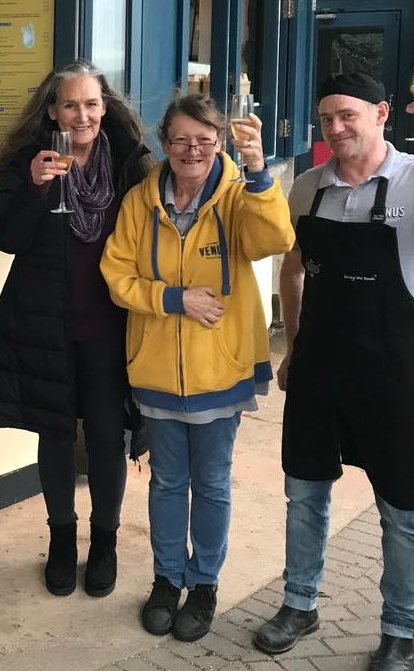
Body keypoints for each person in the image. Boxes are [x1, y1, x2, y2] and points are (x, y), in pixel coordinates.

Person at [254, 71, 414, 671]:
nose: (335, 128)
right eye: (325, 119)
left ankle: (399, 632)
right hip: (318, 369)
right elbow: (294, 265)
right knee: (305, 494)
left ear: (382, 113)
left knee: (402, 510)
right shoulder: (308, 187)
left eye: (348, 116)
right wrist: (294, 344)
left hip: (391, 374)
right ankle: (300, 604)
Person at [101, 95, 293, 642]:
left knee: (210, 483)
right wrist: (172, 299)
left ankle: (203, 584)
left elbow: (273, 239)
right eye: (182, 140)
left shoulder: (237, 196)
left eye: (205, 141)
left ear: (219, 144)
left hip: (220, 367)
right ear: (165, 142)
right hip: (157, 367)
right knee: (166, 483)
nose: (192, 151)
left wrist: (259, 173)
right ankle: (167, 580)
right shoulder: (141, 201)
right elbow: (116, 274)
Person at [0, 62, 152, 598]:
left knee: (107, 437)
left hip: (109, 325)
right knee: (55, 435)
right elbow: (6, 239)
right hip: (45, 322)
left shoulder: (132, 164)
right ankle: (61, 537)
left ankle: (104, 541)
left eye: (91, 103)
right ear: (52, 111)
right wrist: (33, 189)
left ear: (106, 106)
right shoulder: (25, 164)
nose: (82, 114)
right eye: (70, 105)